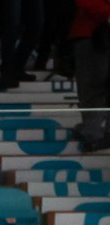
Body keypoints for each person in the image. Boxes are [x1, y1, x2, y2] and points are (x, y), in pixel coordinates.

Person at [73, 0, 110, 153]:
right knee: (92, 86)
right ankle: (92, 132)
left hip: (93, 34)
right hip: (93, 35)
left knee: (92, 87)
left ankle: (94, 131)